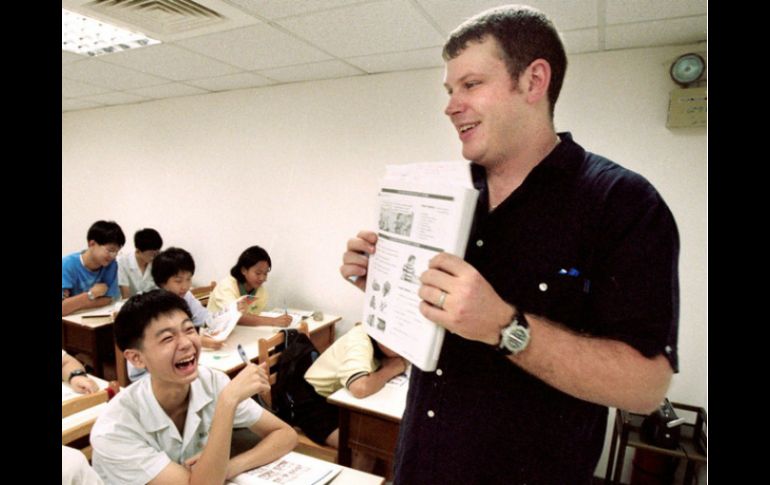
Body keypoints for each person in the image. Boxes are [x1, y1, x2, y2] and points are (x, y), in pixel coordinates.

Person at [339, 5, 679, 484]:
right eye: (449, 90)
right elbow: (430, 327)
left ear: (534, 80)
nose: (450, 105)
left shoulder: (623, 204)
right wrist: (388, 283)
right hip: (420, 465)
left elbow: (648, 385)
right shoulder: (447, 192)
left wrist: (506, 327)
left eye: (471, 84)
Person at [90, 290, 297, 484]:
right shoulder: (114, 430)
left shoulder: (212, 382)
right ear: (136, 358)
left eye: (189, 329)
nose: (187, 343)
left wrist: (230, 467)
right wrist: (227, 403)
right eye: (168, 338)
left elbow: (285, 434)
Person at [293, 323, 408, 449]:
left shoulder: (391, 346)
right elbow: (360, 387)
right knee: (366, 446)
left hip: (343, 400)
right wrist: (391, 369)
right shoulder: (360, 339)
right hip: (314, 401)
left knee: (387, 433)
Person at [125, 247, 226, 382]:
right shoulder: (146, 306)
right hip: (149, 375)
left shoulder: (185, 296)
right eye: (178, 281)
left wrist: (230, 314)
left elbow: (205, 318)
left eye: (188, 279)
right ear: (162, 282)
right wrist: (198, 340)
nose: (185, 286)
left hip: (176, 364)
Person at [207, 245, 291, 327]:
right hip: (211, 333)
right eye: (258, 273)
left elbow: (252, 317)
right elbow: (237, 317)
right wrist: (274, 321)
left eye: (265, 273)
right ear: (244, 270)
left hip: (239, 332)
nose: (262, 278)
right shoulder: (227, 286)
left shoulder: (261, 292)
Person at [62, 220, 125, 316]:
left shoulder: (111, 265)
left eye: (117, 251)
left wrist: (74, 303)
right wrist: (90, 295)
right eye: (110, 250)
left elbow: (108, 299)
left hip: (96, 318)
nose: (113, 256)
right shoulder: (67, 265)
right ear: (92, 244)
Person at [117, 228, 163, 298]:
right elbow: (125, 294)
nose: (154, 257)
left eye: (157, 253)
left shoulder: (157, 262)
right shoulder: (122, 262)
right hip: (131, 303)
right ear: (138, 251)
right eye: (151, 254)